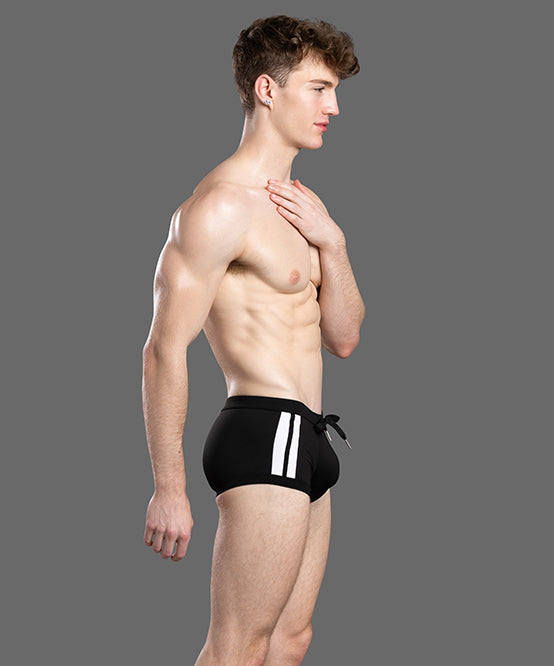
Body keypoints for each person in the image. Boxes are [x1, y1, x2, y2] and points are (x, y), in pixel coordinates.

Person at [141, 15, 365, 666]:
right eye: (319, 89)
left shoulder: (303, 207)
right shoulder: (219, 206)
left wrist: (334, 243)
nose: (334, 107)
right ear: (268, 89)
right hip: (263, 430)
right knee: (238, 648)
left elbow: (344, 338)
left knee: (291, 643)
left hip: (311, 435)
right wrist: (169, 487)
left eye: (334, 92)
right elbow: (163, 348)